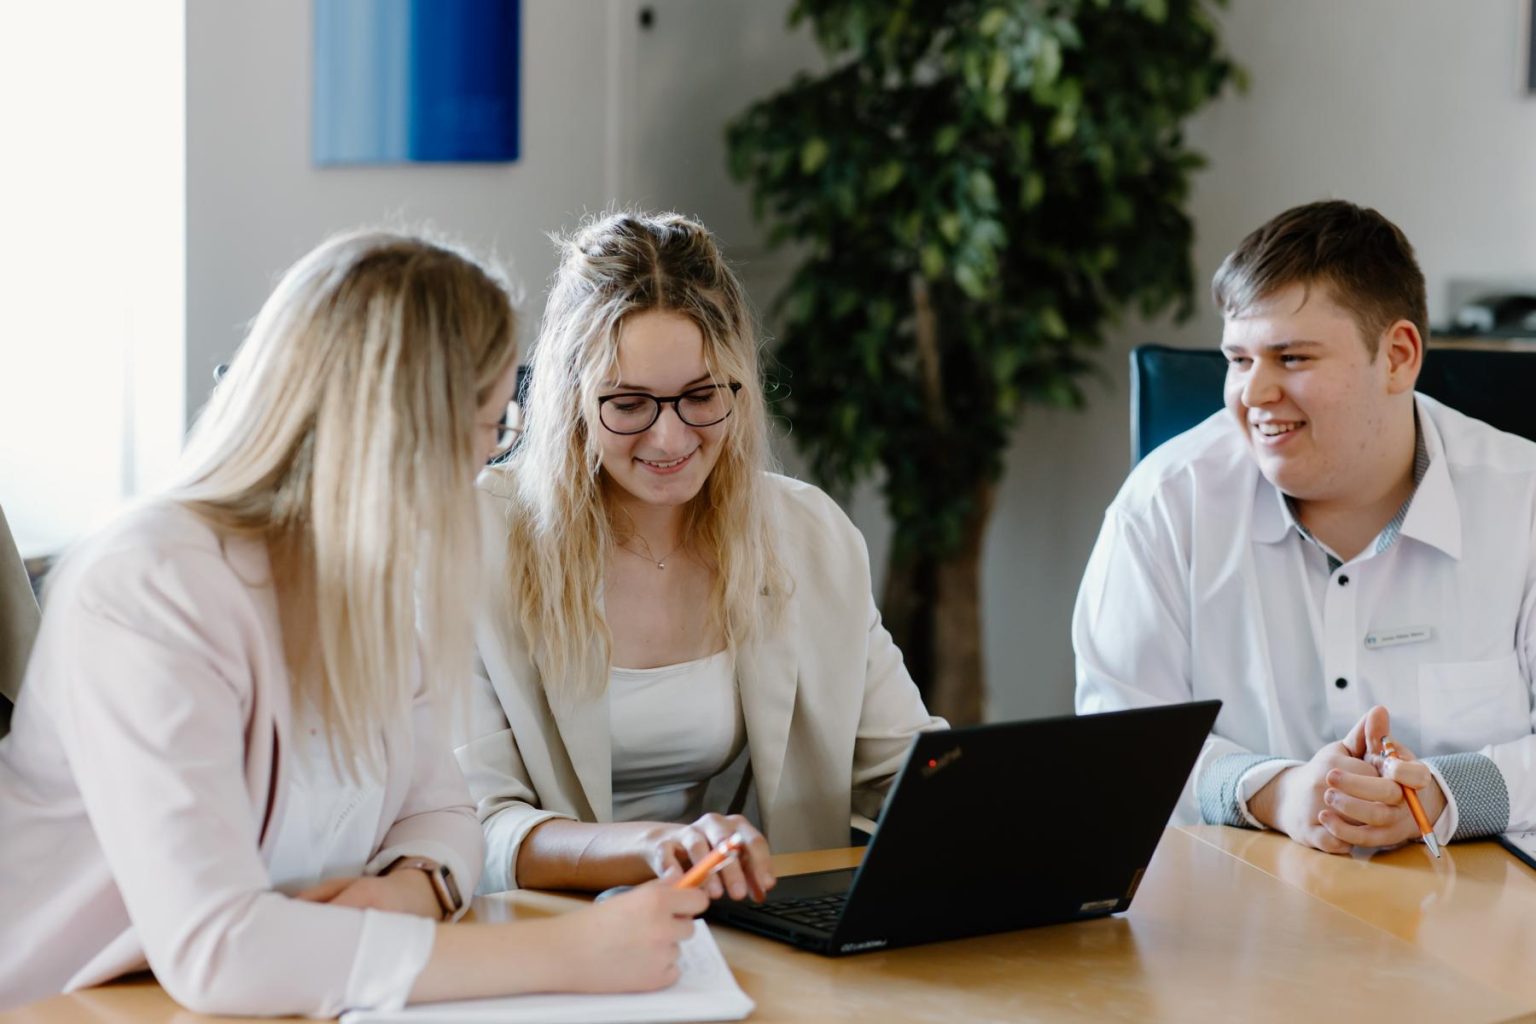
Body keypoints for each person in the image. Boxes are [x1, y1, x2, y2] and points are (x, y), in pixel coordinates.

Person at [0, 231, 704, 1016]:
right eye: (488, 425)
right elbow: (219, 949)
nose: (486, 461)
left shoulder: (359, 576)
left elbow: (441, 810)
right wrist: (569, 953)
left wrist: (412, 889)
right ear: (405, 424)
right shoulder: (148, 586)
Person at [457, 211, 944, 898]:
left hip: (740, 928)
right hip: (552, 933)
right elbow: (476, 824)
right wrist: (658, 849)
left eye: (700, 397)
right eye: (628, 405)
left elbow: (900, 767)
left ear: (737, 389)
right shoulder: (474, 542)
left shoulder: (807, 534)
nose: (668, 439)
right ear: (572, 401)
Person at [1074, 199, 1536, 855]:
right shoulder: (1164, 505)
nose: (1253, 395)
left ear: (1399, 356)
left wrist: (1439, 794)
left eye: (1291, 358)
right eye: (1238, 360)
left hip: (1480, 928)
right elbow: (1116, 752)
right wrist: (1274, 792)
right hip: (1240, 929)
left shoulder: (1524, 502)